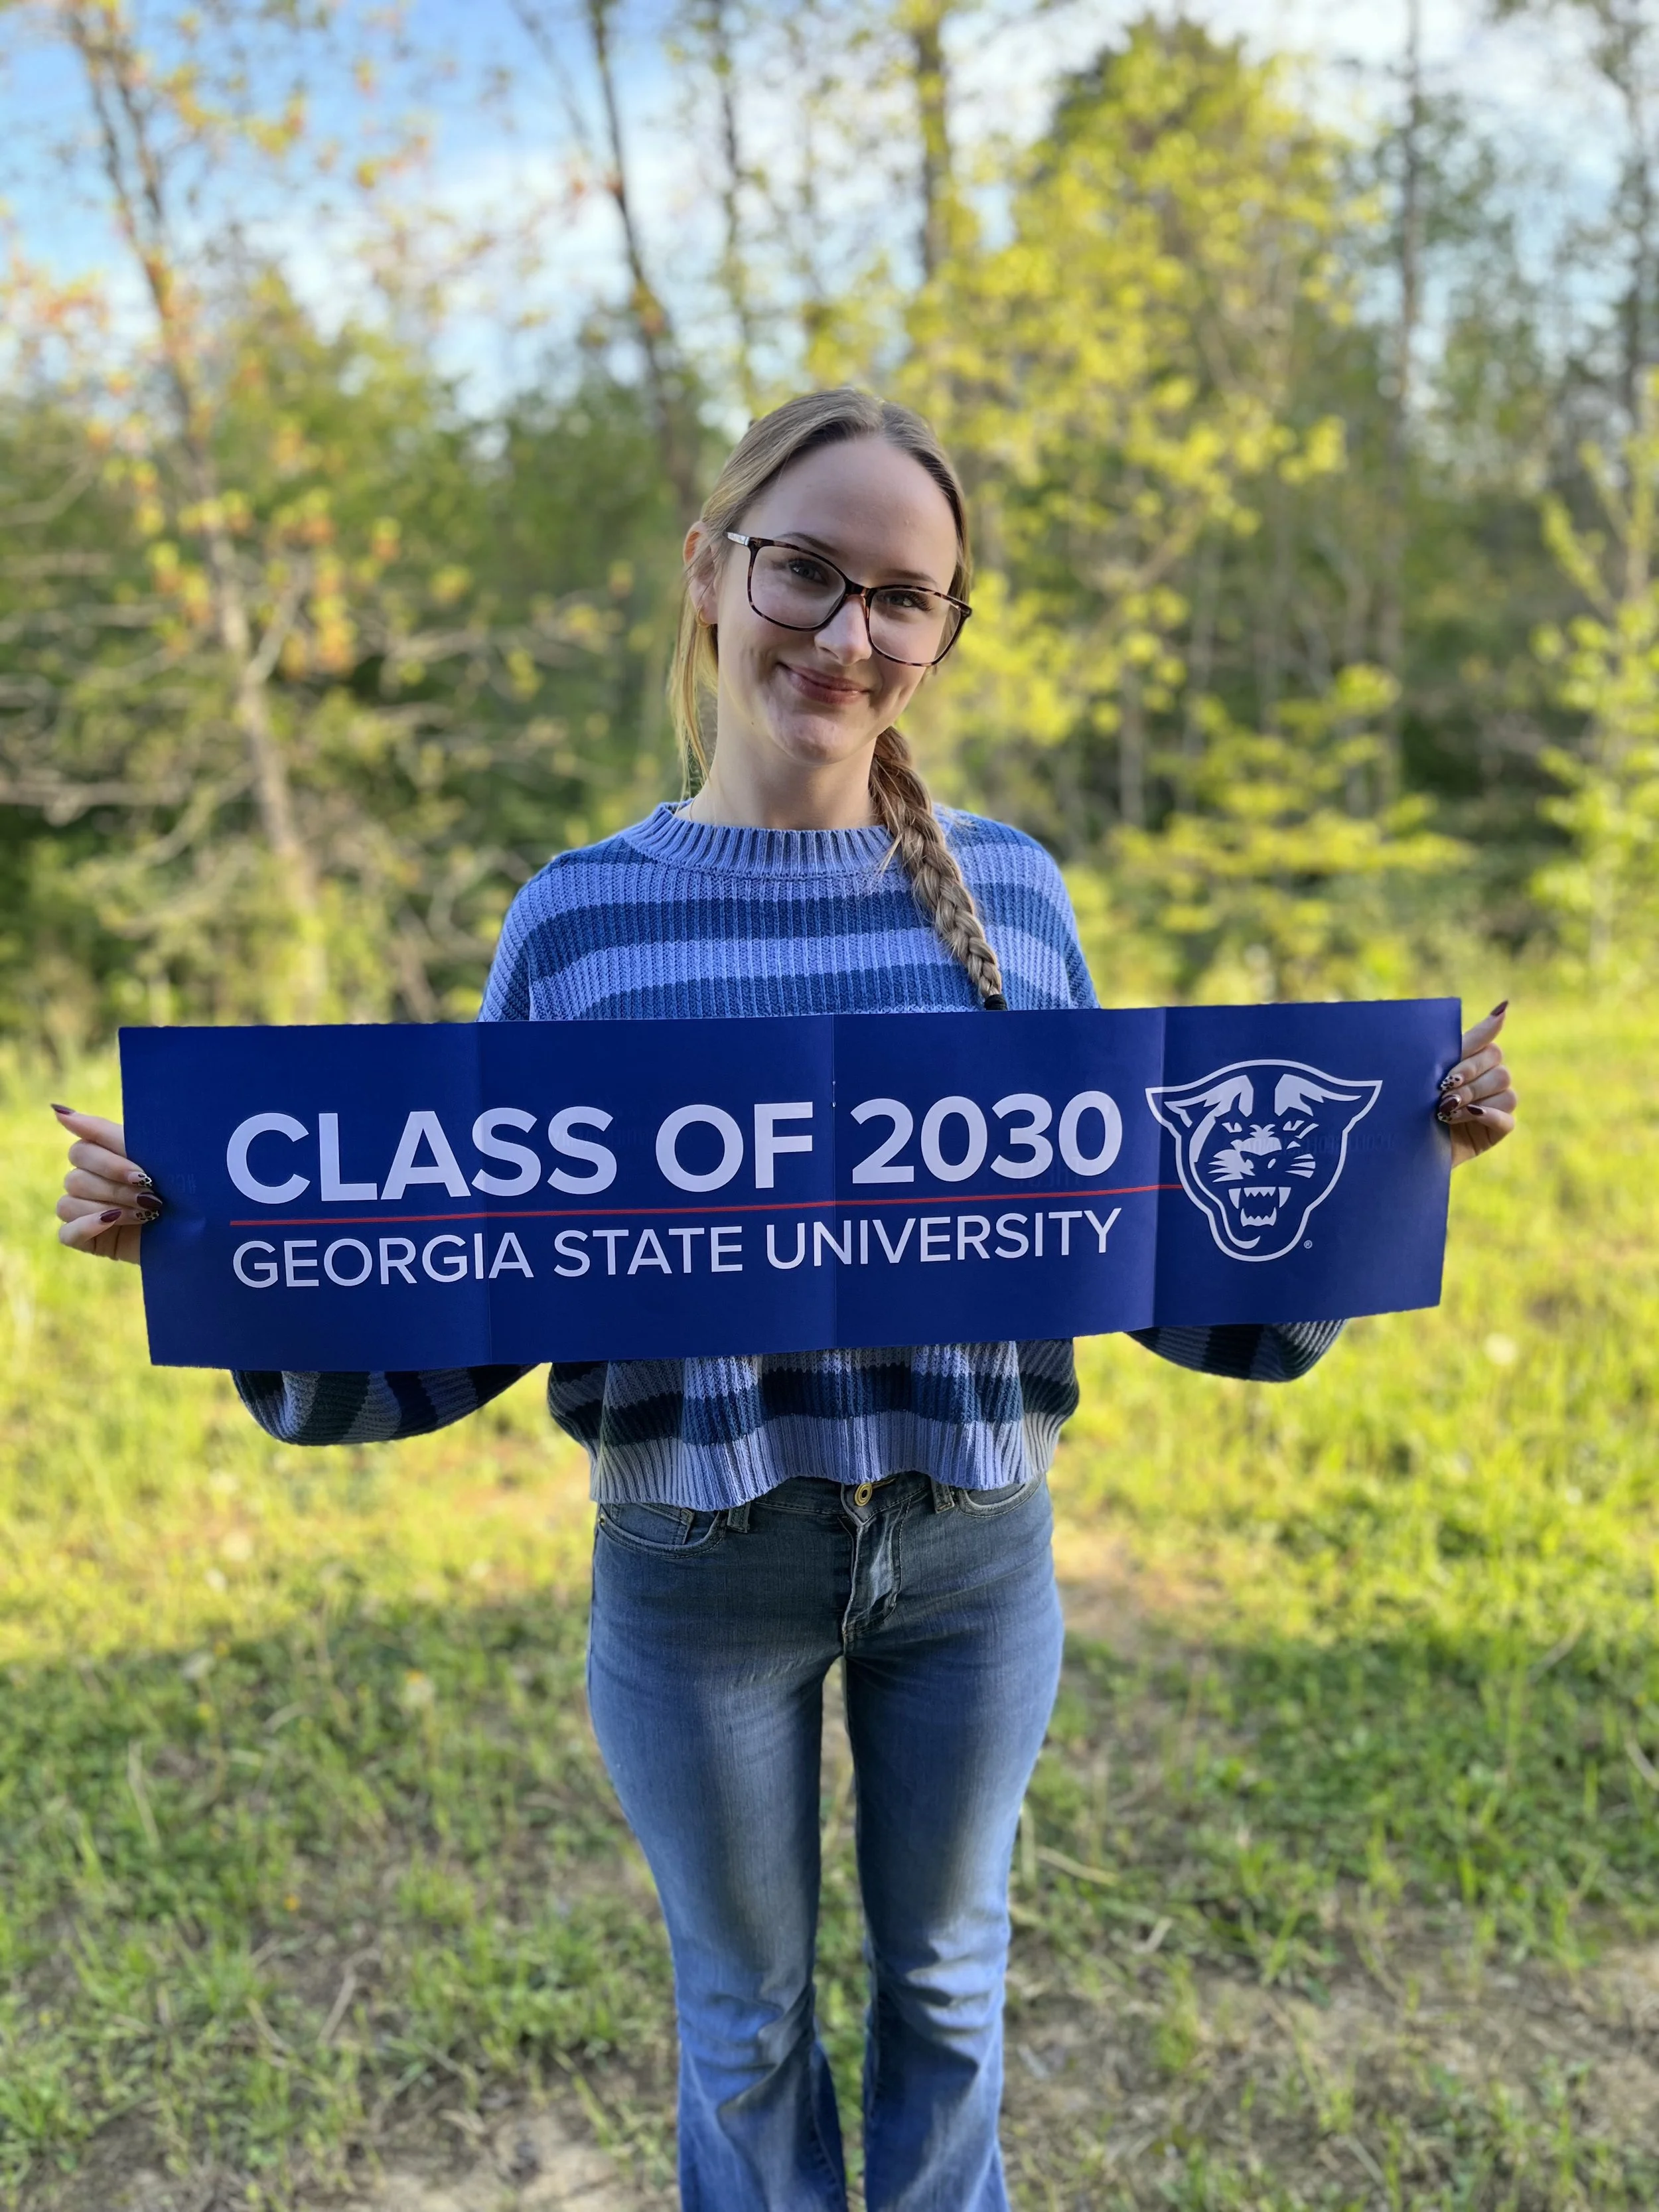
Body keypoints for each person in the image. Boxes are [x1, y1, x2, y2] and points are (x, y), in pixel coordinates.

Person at [54, 389, 1518, 2212]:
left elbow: (1136, 1230)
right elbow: (473, 1275)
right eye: (805, 573)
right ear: (708, 571)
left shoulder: (1014, 892)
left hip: (974, 1559)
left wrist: (1388, 1163)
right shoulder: (579, 922)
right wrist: (214, 1245)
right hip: (694, 1576)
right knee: (743, 2019)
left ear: (943, 628)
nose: (849, 635)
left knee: (949, 1989)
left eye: (905, 598)